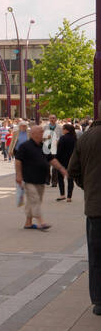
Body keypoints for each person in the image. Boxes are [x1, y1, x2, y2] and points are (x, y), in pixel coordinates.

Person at [65, 119, 101, 315]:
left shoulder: (86, 138)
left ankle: (98, 301)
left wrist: (88, 187)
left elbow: (73, 171)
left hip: (96, 207)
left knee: (96, 256)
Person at [15, 126, 69, 232]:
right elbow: (18, 161)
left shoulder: (44, 145)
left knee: (35, 201)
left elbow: (51, 159)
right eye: (41, 132)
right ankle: (41, 222)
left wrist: (61, 169)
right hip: (29, 179)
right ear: (33, 134)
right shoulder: (24, 146)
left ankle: (28, 223)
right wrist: (18, 175)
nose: (43, 133)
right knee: (35, 200)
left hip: (40, 179)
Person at [55, 123, 78, 202]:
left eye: (63, 129)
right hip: (71, 161)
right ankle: (69, 197)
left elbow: (59, 150)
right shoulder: (75, 138)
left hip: (62, 161)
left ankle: (62, 195)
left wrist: (56, 159)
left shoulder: (63, 138)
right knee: (70, 179)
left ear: (66, 130)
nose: (62, 131)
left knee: (60, 178)